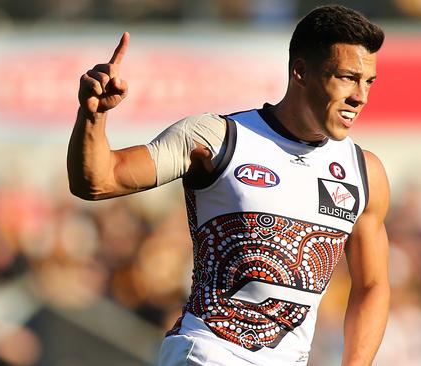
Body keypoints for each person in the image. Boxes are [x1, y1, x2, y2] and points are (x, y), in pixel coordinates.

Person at [67, 5, 390, 366]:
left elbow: (372, 286)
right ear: (300, 72)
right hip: (208, 353)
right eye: (347, 78)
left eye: (368, 82)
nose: (360, 96)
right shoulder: (217, 137)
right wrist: (92, 116)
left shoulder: (364, 171)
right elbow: (98, 181)